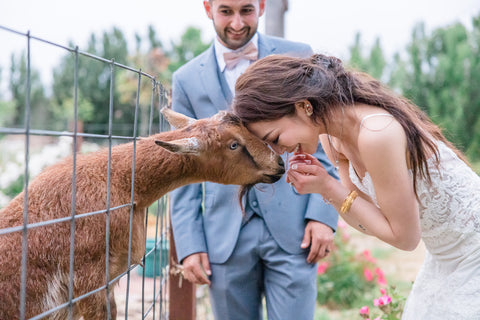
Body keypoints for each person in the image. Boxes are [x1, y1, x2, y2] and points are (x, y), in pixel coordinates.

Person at [232, 53, 480, 319]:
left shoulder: (376, 134)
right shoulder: (331, 138)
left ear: (303, 106)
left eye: (276, 138)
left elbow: (405, 239)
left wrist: (328, 187)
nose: (281, 151)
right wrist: (325, 188)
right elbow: (370, 222)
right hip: (445, 258)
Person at [169, 1, 339, 319]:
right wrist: (189, 243)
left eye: (246, 10)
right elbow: (184, 169)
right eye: (226, 12)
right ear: (207, 8)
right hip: (224, 236)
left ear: (261, 6)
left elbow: (326, 138)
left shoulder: (298, 56)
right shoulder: (186, 80)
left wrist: (323, 214)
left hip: (296, 229)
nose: (237, 23)